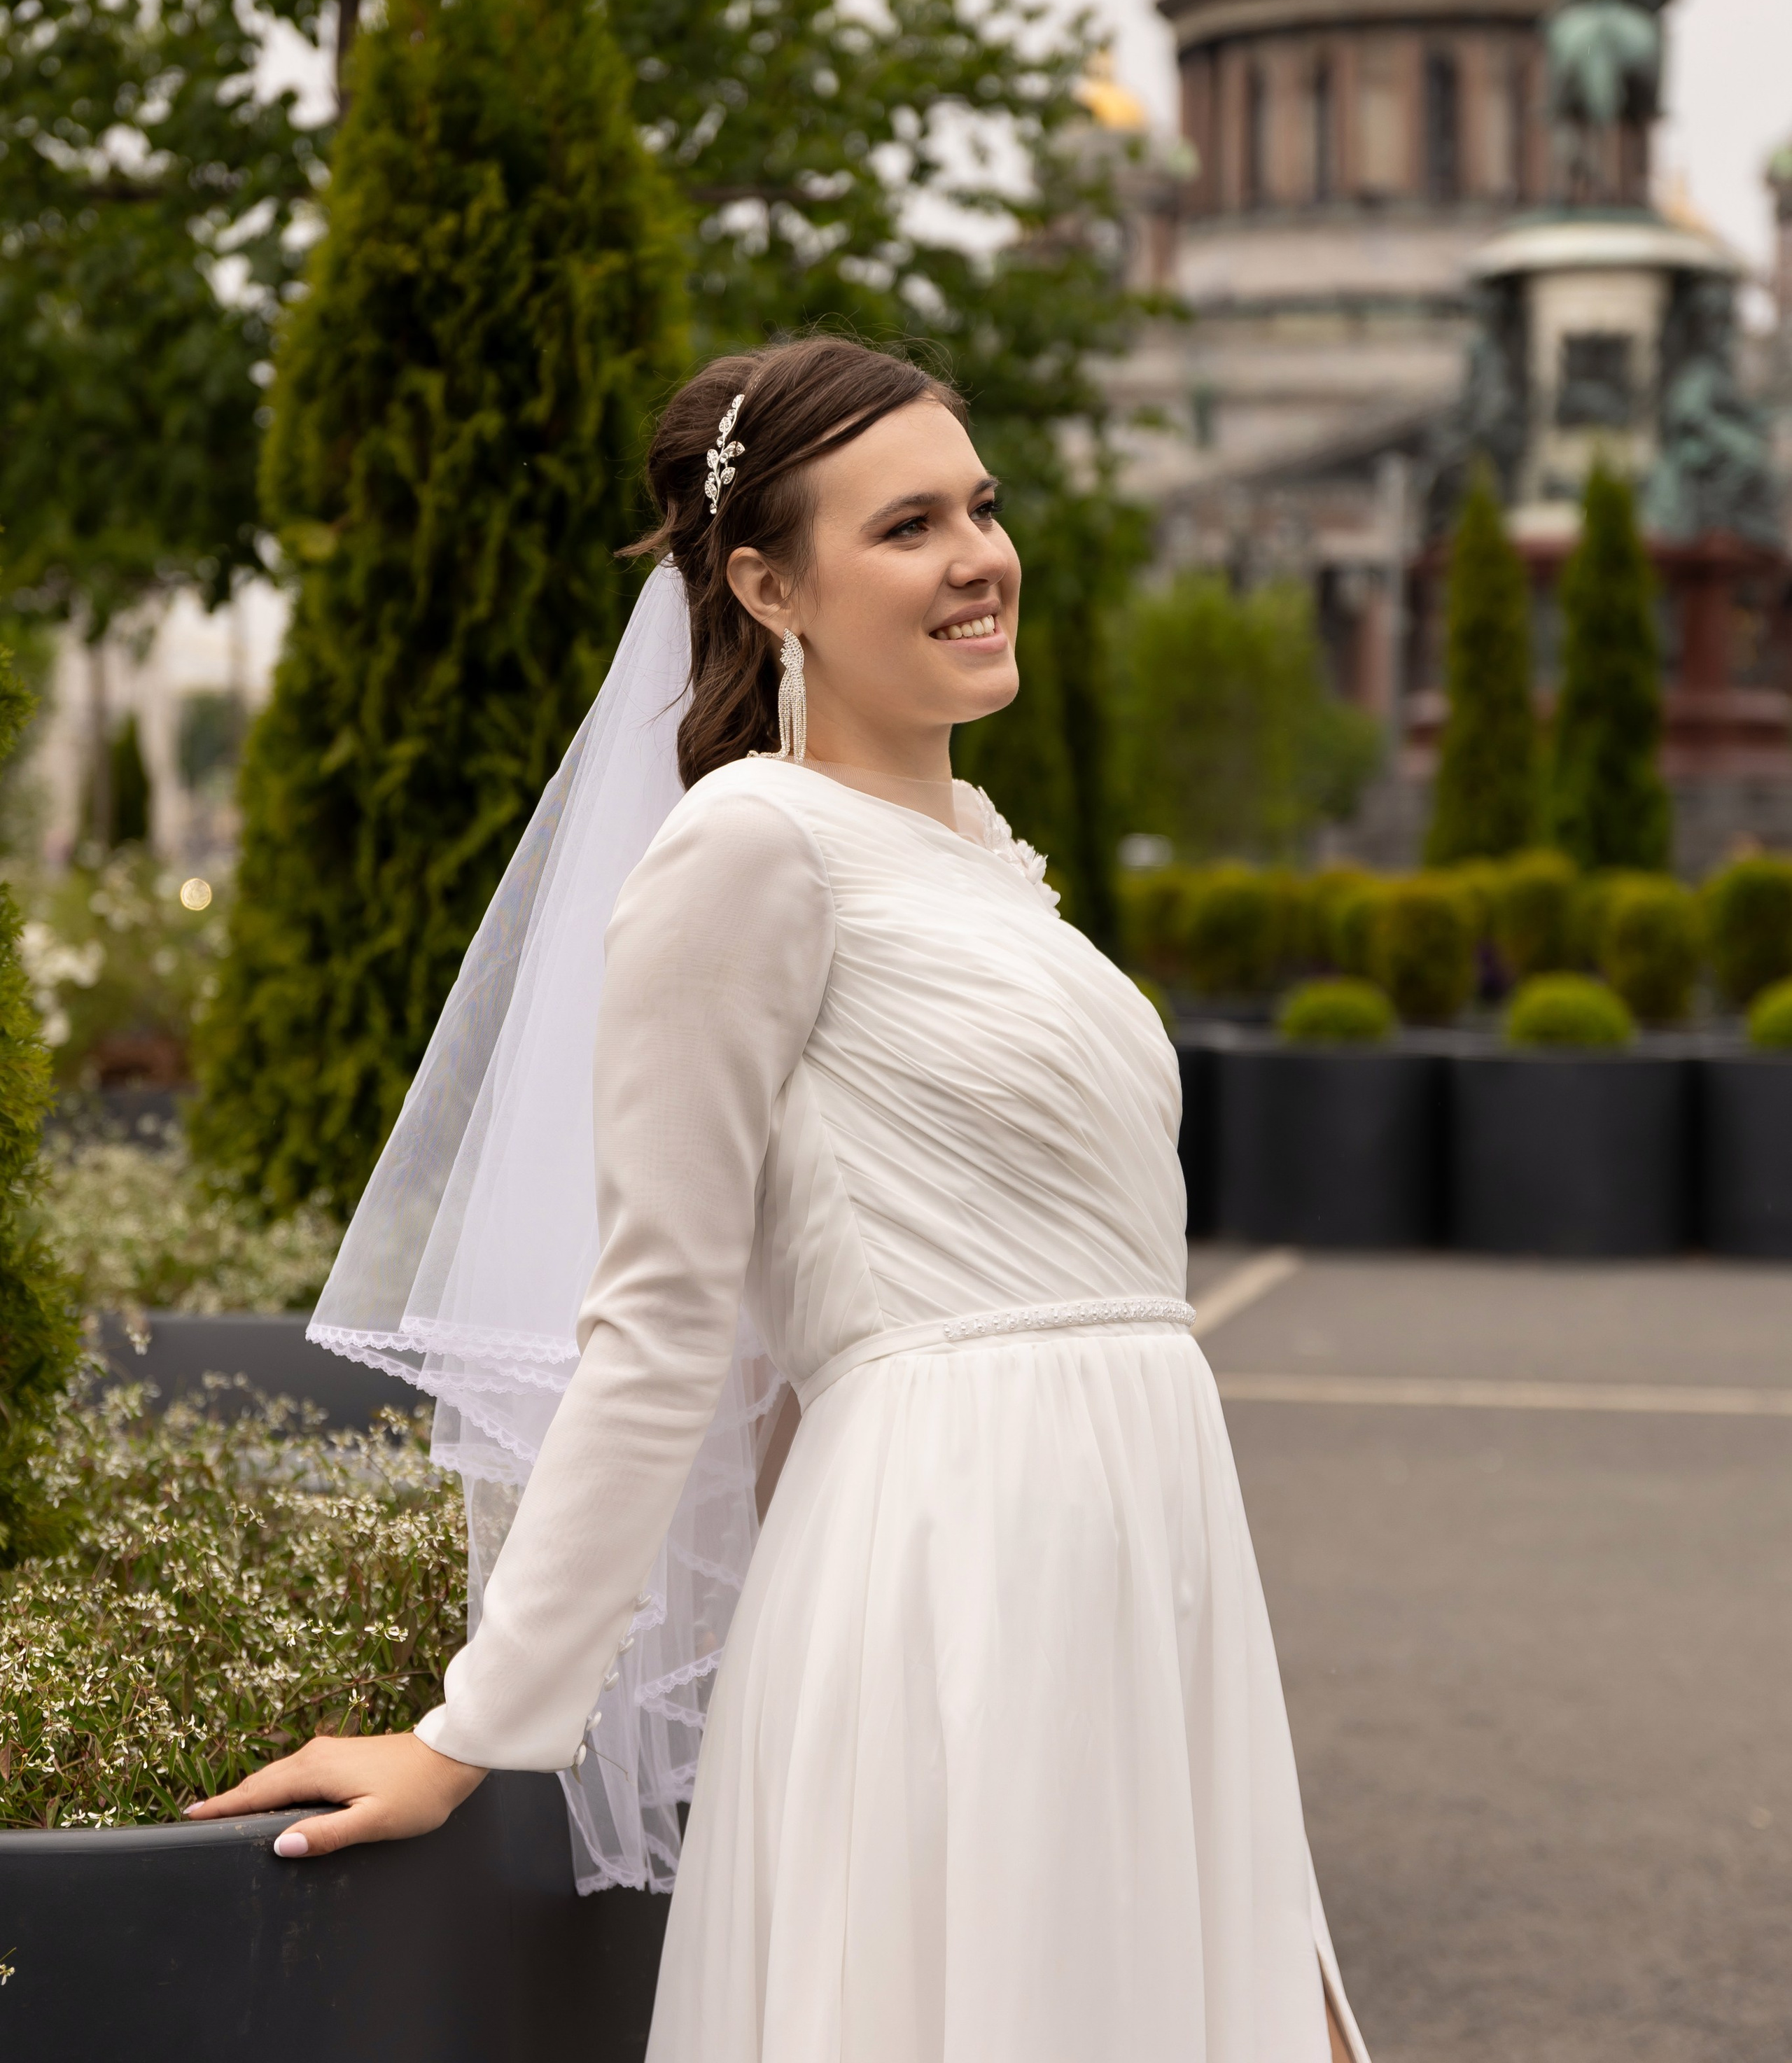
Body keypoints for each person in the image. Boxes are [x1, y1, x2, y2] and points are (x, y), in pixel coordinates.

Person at [191, 336, 1368, 2063]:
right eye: (905, 526)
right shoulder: (745, 849)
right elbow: (660, 1328)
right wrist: (473, 1732)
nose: (977, 555)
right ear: (765, 584)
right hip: (954, 1565)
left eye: (978, 505)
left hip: (1148, 1550)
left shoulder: (982, 854)